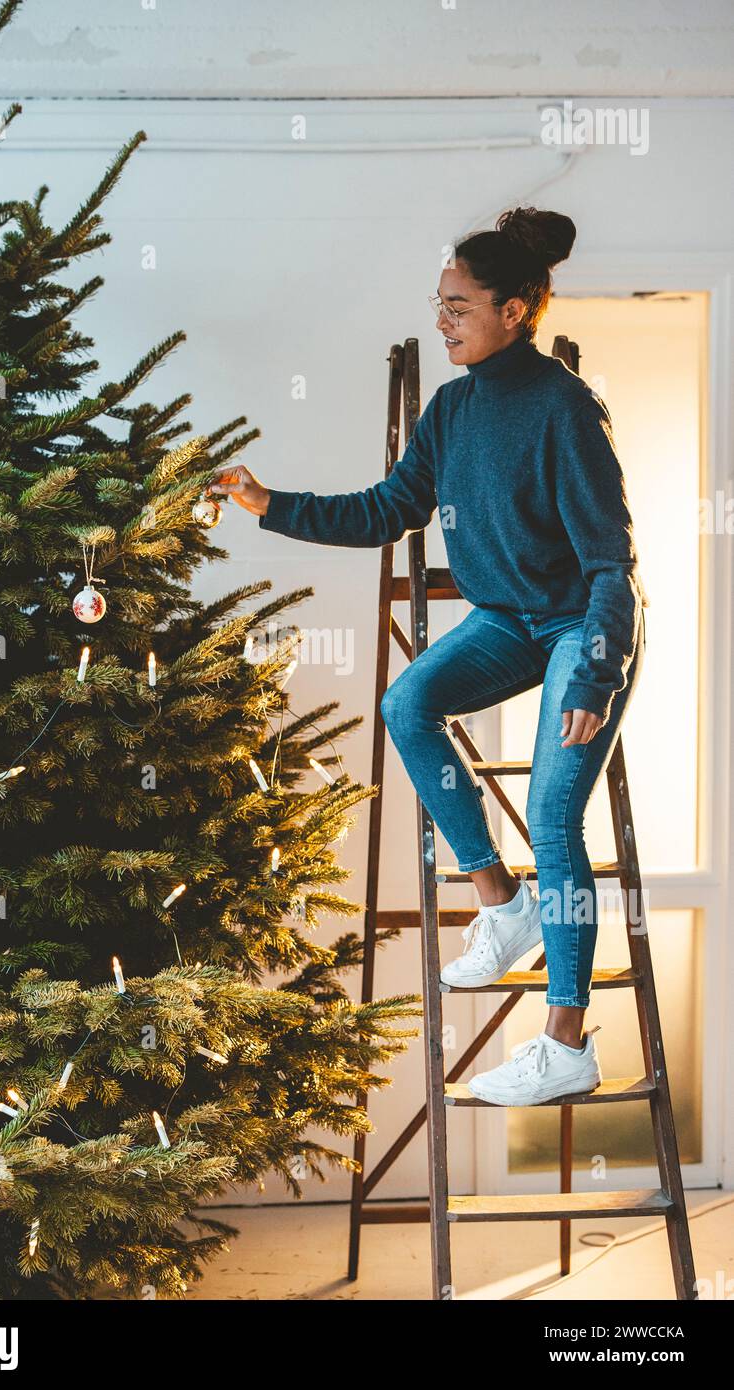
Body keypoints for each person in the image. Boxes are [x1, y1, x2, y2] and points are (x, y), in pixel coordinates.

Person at [205, 206, 648, 1107]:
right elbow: (383, 511)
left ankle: (565, 1041)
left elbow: (611, 565)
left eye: (458, 307)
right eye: (438, 304)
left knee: (554, 814)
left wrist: (596, 675)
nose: (441, 320)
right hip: (508, 619)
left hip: (580, 626)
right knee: (408, 703)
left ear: (514, 310)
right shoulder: (451, 410)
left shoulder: (566, 408)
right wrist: (266, 501)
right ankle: (501, 903)